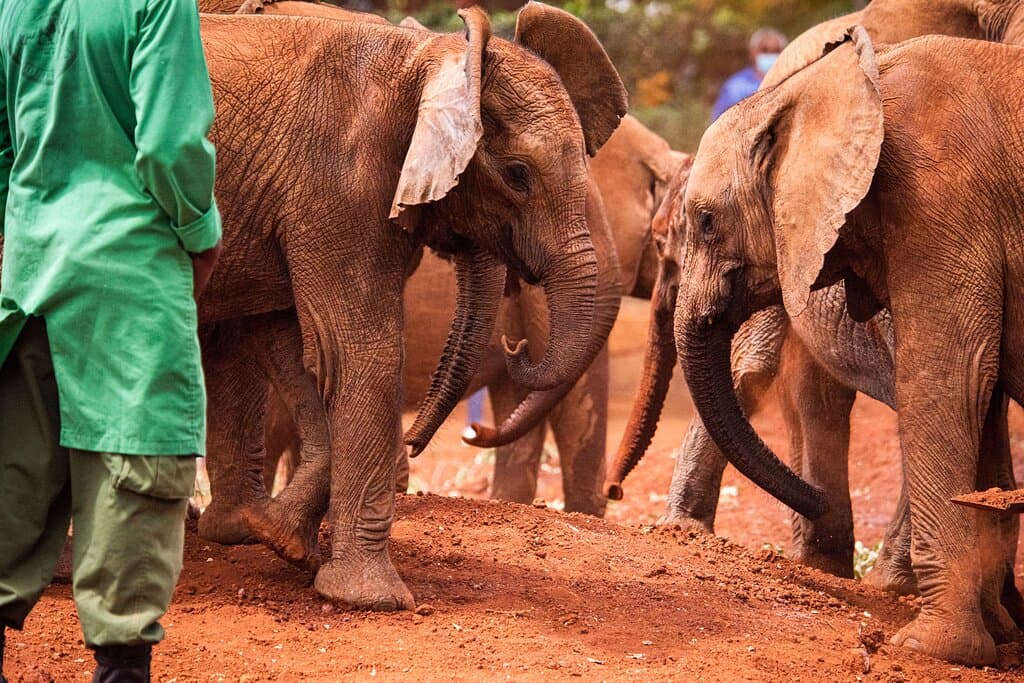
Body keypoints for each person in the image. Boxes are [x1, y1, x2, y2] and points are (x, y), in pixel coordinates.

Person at [0, 0, 222, 680]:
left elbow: (5, 145)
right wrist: (201, 231)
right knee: (135, 475)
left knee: (13, 475)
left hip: (31, 271)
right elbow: (170, 145)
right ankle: (120, 663)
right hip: (130, 276)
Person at [710, 27, 788, 122]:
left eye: (776, 51)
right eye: (764, 50)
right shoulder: (736, 86)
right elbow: (718, 122)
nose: (770, 55)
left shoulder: (788, 82)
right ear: (752, 52)